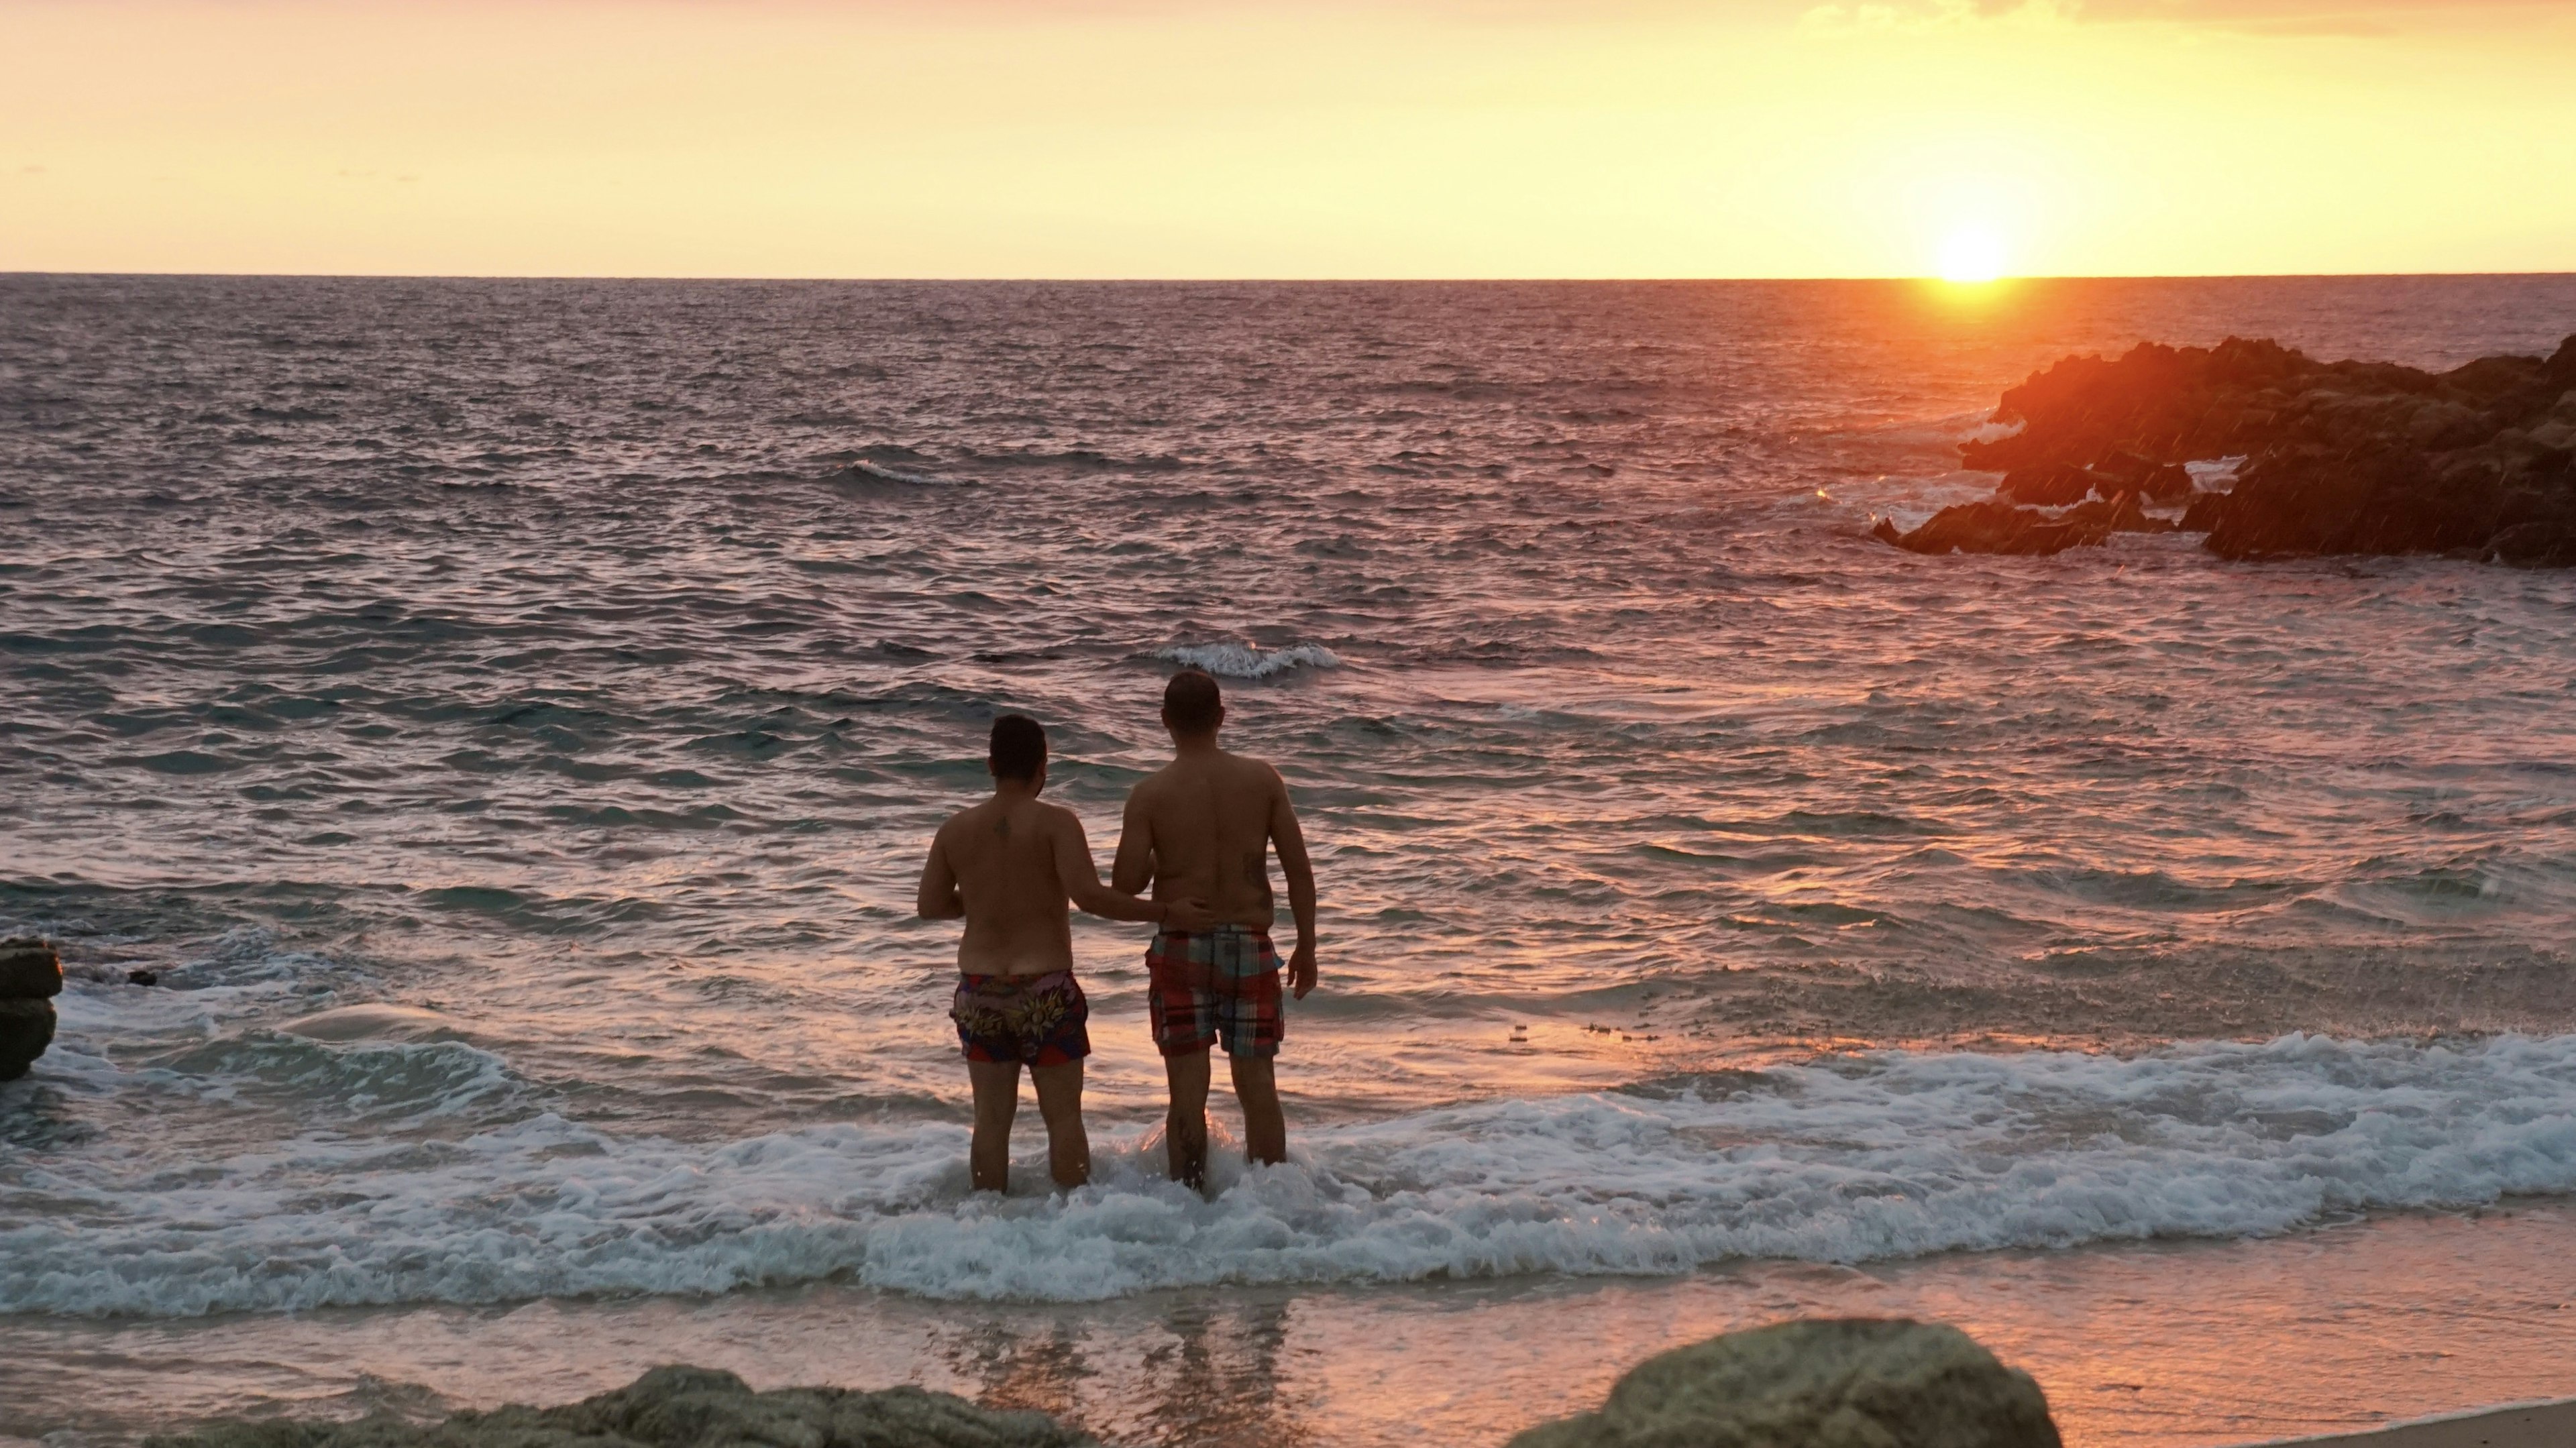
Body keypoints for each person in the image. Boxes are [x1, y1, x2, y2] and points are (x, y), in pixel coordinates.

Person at [917, 713, 1208, 1194]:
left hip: (980, 991)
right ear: (1042, 768)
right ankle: (1072, 1225)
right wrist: (1165, 911)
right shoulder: (1056, 823)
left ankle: (988, 1221)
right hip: (1045, 991)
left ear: (990, 764)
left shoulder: (956, 829)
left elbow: (929, 905)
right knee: (1064, 1119)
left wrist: (984, 899)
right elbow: (1090, 896)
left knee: (990, 1121)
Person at [1112, 669, 1318, 1190]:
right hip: (1250, 944)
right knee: (1259, 1087)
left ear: (1165, 722)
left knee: (1187, 1092)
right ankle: (1272, 1201)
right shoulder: (1262, 779)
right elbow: (1298, 868)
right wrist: (1307, 946)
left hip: (1181, 947)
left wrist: (1169, 851)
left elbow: (1126, 882)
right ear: (1222, 716)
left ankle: (1188, 1203)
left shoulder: (1150, 794)